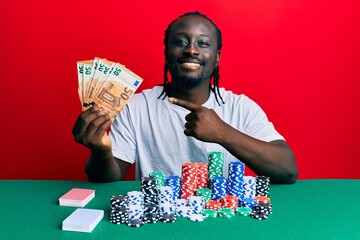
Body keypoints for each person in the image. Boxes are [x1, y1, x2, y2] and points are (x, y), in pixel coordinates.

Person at [72, 11, 298, 184]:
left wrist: (222, 133)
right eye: (180, 42)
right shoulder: (137, 107)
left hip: (222, 220)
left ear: (216, 57)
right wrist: (101, 151)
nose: (191, 50)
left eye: (203, 43)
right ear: (166, 53)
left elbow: (287, 170)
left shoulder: (241, 107)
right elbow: (106, 178)